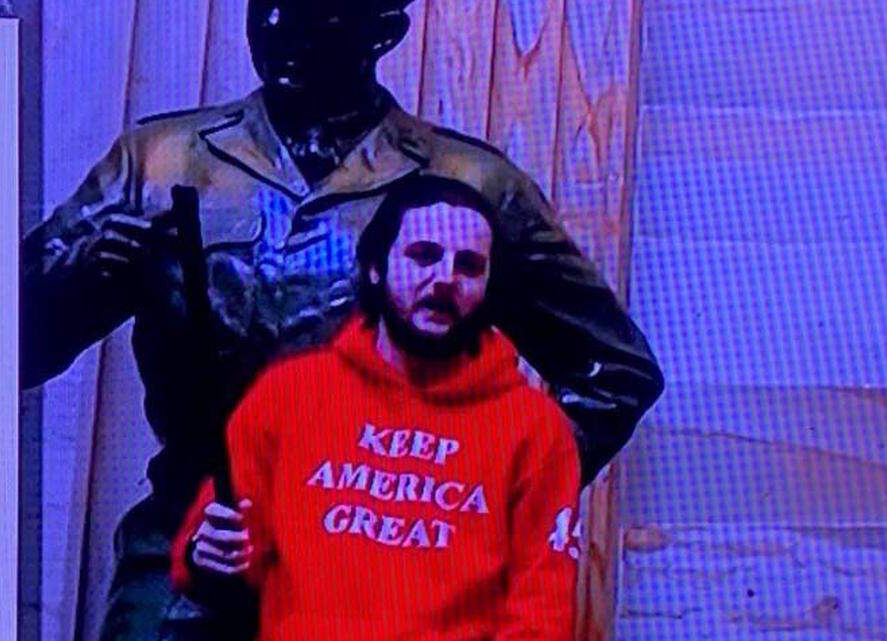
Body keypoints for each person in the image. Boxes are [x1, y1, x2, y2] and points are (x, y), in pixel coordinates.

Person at [21, 1, 663, 638]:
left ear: (384, 31)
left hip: (377, 571)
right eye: (264, 4)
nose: (276, 29)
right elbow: (2, 351)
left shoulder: (472, 184)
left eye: (313, 11)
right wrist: (67, 281)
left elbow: (613, 373)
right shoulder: (162, 162)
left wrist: (473, 492)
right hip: (197, 539)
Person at [171, 177, 582, 640]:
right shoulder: (291, 394)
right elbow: (215, 556)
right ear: (374, 268)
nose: (446, 278)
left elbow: (540, 617)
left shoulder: (534, 429)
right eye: (423, 255)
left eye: (469, 266)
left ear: (488, 288)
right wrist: (207, 555)